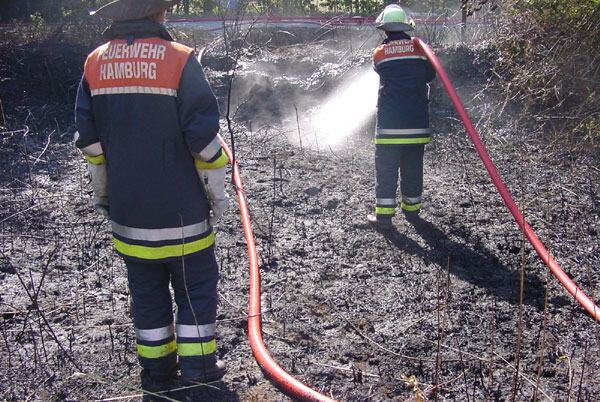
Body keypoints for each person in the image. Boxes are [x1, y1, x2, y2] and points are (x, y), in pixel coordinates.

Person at [74, 0, 229, 384]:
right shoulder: (179, 59)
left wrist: (104, 195)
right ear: (158, 13)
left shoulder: (95, 63)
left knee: (146, 294)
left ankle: (158, 370)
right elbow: (203, 141)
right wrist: (217, 194)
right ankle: (198, 368)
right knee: (195, 289)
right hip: (182, 214)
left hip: (129, 214)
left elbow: (90, 142)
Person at [367, 4, 436, 230]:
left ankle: (384, 218)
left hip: (389, 126)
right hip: (417, 125)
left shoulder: (379, 53)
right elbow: (430, 75)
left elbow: (380, 70)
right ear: (407, 26)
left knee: (386, 171)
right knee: (413, 170)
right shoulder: (421, 51)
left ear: (385, 29)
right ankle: (412, 211)